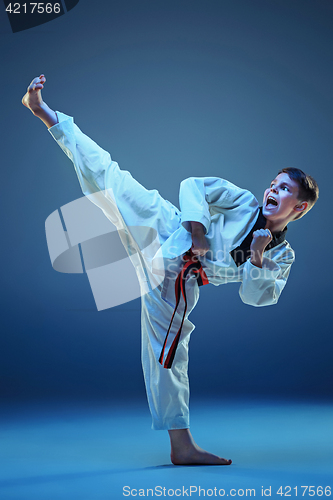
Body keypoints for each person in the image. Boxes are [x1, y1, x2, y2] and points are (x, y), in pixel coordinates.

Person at [22, 75, 319, 466]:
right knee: (111, 178)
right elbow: (193, 185)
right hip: (167, 225)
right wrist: (197, 231)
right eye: (274, 184)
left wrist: (259, 259)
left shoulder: (282, 256)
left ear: (298, 208)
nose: (273, 191)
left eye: (284, 191)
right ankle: (47, 114)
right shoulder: (244, 202)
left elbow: (254, 297)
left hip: (175, 279)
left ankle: (181, 446)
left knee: (169, 354)